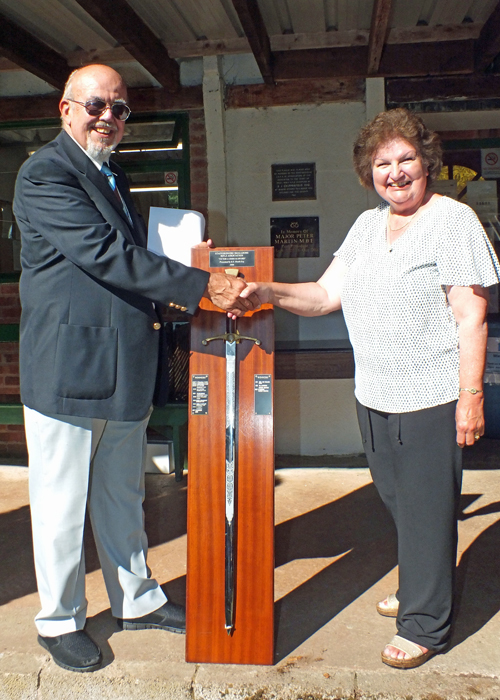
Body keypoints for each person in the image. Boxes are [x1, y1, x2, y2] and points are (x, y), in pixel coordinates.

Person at [13, 64, 256, 673]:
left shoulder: (113, 175)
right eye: (96, 104)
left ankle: (138, 600)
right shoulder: (45, 172)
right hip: (69, 370)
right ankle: (60, 619)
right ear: (66, 109)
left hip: (124, 366)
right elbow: (106, 256)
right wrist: (203, 286)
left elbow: (138, 257)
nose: (108, 118)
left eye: (120, 109)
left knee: (122, 496)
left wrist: (187, 272)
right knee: (62, 505)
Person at [241, 108, 500, 669]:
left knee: (429, 509)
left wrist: (470, 394)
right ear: (369, 171)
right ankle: (418, 587)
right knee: (400, 501)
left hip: (430, 395)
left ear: (425, 163)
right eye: (383, 163)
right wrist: (266, 290)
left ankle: (425, 624)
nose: (396, 172)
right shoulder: (366, 226)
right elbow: (323, 294)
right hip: (374, 393)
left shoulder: (453, 221)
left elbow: (470, 318)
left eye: (406, 158)